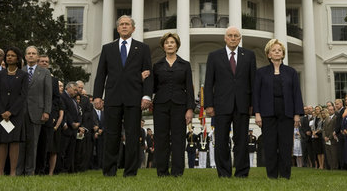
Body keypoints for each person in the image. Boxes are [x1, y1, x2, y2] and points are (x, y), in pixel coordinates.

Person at [93, 15, 153, 177]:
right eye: (121, 24)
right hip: (112, 98)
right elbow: (100, 75)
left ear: (133, 28)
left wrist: (147, 96)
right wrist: (97, 96)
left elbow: (148, 74)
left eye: (128, 24)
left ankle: (130, 172)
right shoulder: (108, 48)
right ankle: (109, 171)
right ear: (118, 28)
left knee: (133, 136)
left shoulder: (142, 48)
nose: (124, 27)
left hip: (134, 98)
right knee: (111, 135)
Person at [204, 26, 256, 178]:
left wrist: (253, 104)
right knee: (221, 141)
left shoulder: (249, 55)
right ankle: (224, 173)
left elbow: (253, 82)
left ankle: (242, 172)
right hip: (221, 105)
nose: (233, 38)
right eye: (230, 35)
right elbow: (208, 83)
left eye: (236, 36)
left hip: (243, 104)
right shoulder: (214, 56)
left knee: (241, 141)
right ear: (225, 38)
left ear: (240, 39)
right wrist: (208, 105)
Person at [253, 39, 304, 179]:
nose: (277, 52)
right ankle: (272, 175)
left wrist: (297, 115)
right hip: (267, 113)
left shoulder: (291, 72)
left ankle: (285, 175)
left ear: (283, 54)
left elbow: (296, 94)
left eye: (279, 50)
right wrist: (257, 113)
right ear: (268, 54)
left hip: (287, 113)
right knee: (269, 145)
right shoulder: (261, 72)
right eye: (274, 50)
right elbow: (256, 94)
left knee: (285, 145)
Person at [152, 32, 194, 176]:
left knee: (178, 139)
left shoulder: (185, 65)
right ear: (163, 46)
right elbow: (153, 88)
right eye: (167, 42)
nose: (169, 45)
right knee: (161, 139)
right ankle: (162, 171)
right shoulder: (157, 65)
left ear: (177, 45)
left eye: (172, 42)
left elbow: (189, 88)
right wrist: (143, 78)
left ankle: (177, 172)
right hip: (160, 106)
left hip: (180, 106)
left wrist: (190, 109)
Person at [0, 47, 29, 176]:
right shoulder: (0, 74)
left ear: (17, 58)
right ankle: (0, 171)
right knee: (1, 142)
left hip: (15, 114)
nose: (9, 57)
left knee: (14, 142)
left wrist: (11, 112)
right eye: (7, 55)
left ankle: (13, 172)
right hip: (1, 114)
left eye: (12, 55)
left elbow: (23, 96)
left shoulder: (23, 75)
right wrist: (2, 111)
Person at [17, 46, 52, 176]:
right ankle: (18, 170)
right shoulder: (20, 71)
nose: (31, 55)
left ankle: (29, 170)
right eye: (29, 53)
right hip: (21, 112)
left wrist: (46, 111)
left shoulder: (44, 73)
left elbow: (47, 94)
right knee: (20, 143)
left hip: (37, 112)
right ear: (25, 56)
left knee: (33, 143)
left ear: (37, 57)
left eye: (34, 53)